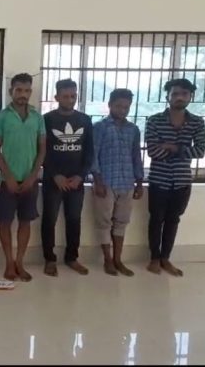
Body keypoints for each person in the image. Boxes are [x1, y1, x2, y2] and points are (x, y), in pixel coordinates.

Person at [145, 78, 205, 276]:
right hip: (158, 180)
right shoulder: (154, 121)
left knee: (173, 220)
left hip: (182, 181)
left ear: (191, 97)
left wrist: (172, 147)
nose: (179, 97)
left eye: (184, 94)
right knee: (156, 219)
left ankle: (166, 258)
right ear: (167, 96)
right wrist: (183, 150)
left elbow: (200, 151)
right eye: (175, 94)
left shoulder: (197, 122)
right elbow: (153, 151)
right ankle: (154, 258)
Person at [0, 73, 46, 281]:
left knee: (25, 222)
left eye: (27, 90)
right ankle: (8, 263)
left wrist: (33, 176)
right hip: (8, 181)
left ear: (31, 92)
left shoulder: (38, 117)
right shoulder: (2, 117)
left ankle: (20, 263)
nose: (23, 94)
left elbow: (42, 150)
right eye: (19, 90)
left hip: (30, 180)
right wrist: (8, 177)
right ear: (11, 91)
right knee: (5, 222)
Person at [41, 78, 94, 276]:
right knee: (49, 220)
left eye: (73, 96)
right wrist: (55, 175)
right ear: (57, 97)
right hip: (53, 180)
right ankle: (49, 259)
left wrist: (80, 176)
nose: (70, 100)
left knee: (74, 219)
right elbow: (42, 151)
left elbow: (89, 152)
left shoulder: (85, 120)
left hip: (76, 181)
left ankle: (72, 257)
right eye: (65, 96)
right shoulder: (46, 120)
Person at [91, 88, 144, 276]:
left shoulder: (133, 130)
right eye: (118, 106)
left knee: (122, 221)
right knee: (104, 222)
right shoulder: (100, 127)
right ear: (110, 105)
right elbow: (93, 155)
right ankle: (107, 260)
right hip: (106, 182)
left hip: (127, 183)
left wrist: (139, 182)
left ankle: (118, 259)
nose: (122, 110)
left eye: (126, 107)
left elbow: (136, 156)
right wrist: (97, 180)